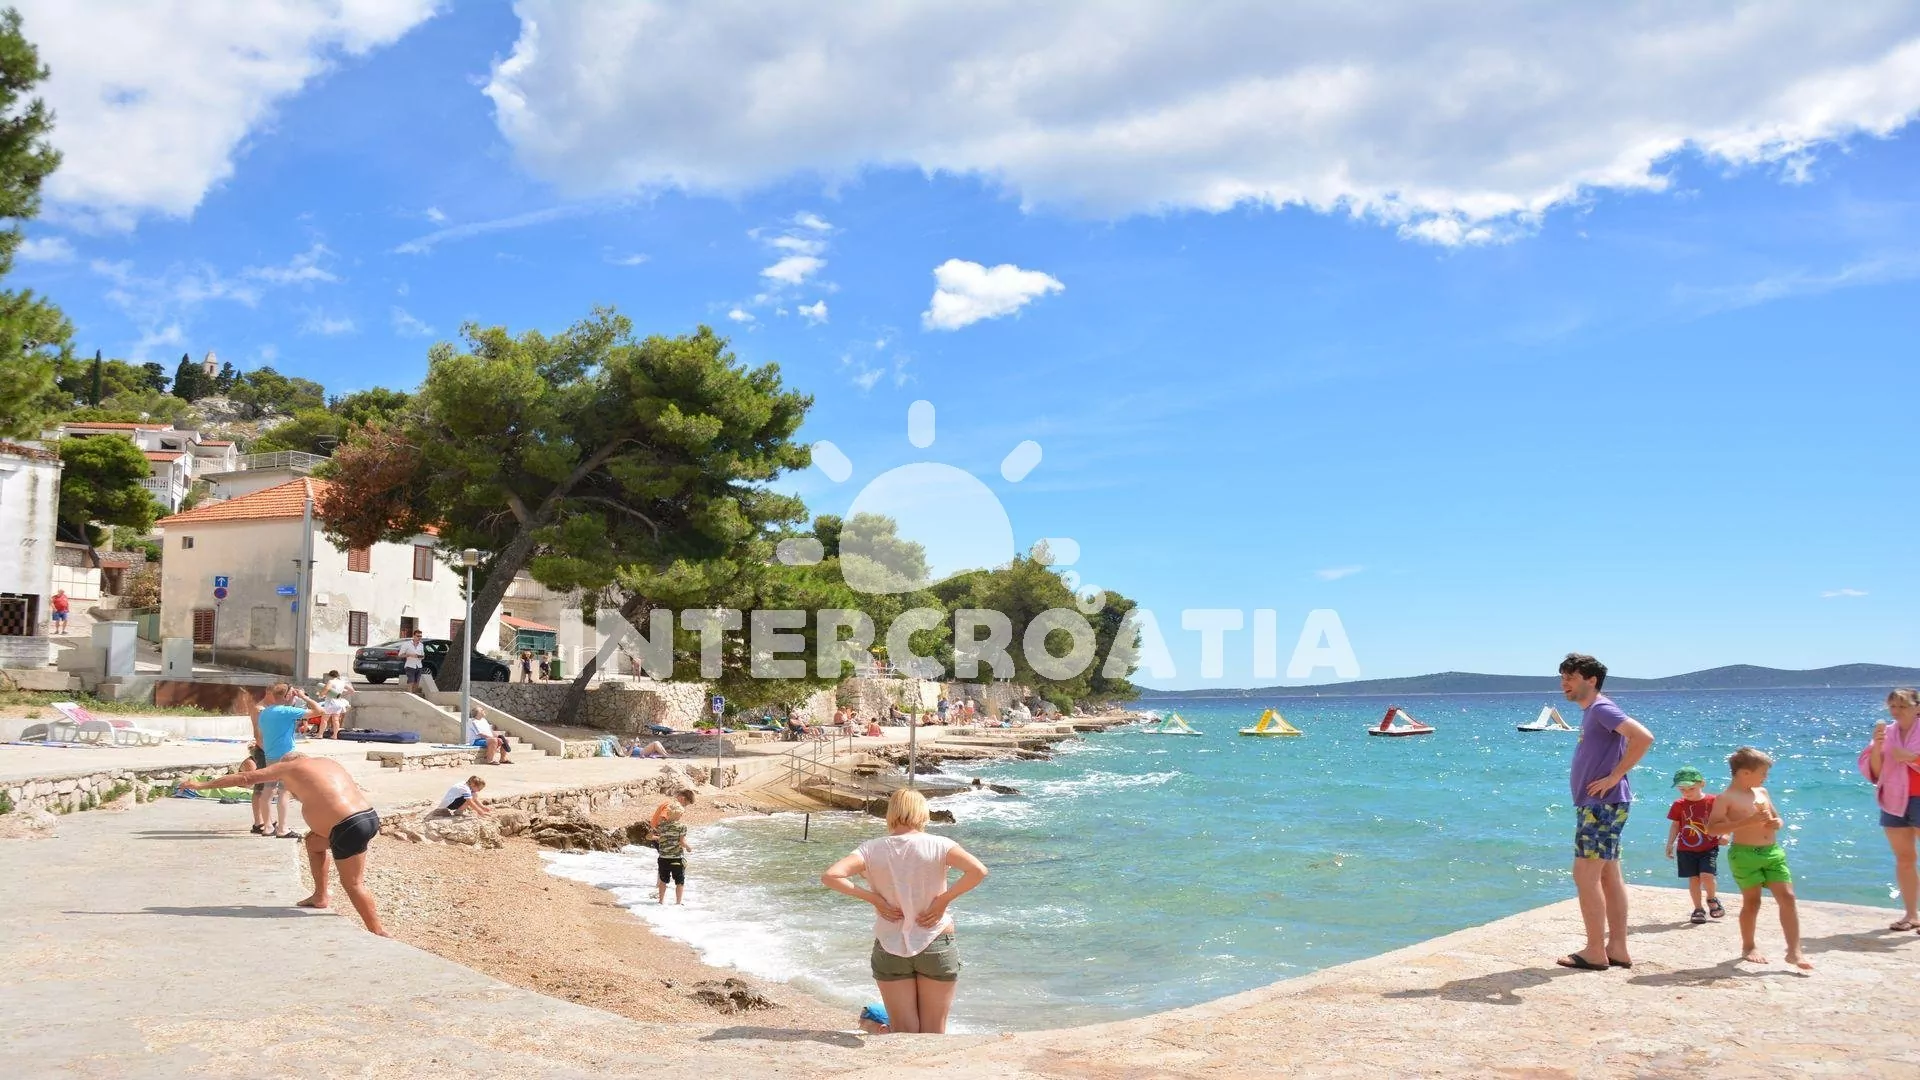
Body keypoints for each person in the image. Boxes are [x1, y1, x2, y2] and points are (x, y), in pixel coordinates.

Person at [820, 788, 989, 1035]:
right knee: (933, 1033)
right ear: (922, 812)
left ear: (891, 813)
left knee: (903, 1031)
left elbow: (831, 876)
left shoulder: (870, 849)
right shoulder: (940, 845)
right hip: (935, 939)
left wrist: (874, 899)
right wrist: (943, 900)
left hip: (890, 943)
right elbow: (978, 871)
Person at [176, 754, 387, 936]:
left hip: (347, 826)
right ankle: (320, 896)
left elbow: (245, 778)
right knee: (313, 843)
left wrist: (201, 785)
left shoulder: (289, 767)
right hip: (368, 816)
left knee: (353, 884)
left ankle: (377, 931)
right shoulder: (326, 763)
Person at [1555, 653, 1655, 972]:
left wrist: (1615, 776)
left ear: (1591, 680)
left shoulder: (1601, 708)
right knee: (1609, 874)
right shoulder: (1593, 711)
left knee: (1585, 874)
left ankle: (1595, 951)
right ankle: (1617, 948)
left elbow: (1643, 737)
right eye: (1563, 678)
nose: (1564, 684)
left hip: (1601, 805)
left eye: (1571, 678)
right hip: (1603, 805)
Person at [1707, 746, 1811, 970]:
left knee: (1788, 897)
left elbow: (1778, 818)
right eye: (1763, 773)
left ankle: (1794, 951)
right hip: (1744, 854)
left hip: (1772, 852)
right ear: (1745, 773)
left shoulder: (1762, 792)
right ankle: (1749, 946)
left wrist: (1776, 823)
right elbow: (1712, 828)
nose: (1765, 777)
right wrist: (1747, 822)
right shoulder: (1726, 798)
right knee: (1752, 902)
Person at [1858, 688, 1920, 932]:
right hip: (1894, 799)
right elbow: (1876, 771)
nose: (1896, 711)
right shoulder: (1888, 733)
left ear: (1917, 707)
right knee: (1904, 859)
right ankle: (1911, 915)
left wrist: (1912, 758)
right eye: (1893, 706)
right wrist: (1877, 746)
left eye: (1903, 706)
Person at [253, 683, 324, 839]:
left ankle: (268, 827)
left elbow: (261, 735)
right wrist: (304, 697)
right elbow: (320, 711)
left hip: (270, 755)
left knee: (268, 790)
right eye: (293, 694)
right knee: (284, 791)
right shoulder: (287, 711)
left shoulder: (264, 713)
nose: (295, 697)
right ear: (286, 696)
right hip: (287, 757)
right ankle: (282, 829)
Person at [1665, 766, 1725, 924]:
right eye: (1682, 789)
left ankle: (1711, 898)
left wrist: (1726, 834)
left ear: (1702, 784)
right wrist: (1670, 843)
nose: (1686, 792)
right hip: (1685, 848)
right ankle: (1698, 909)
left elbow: (1725, 820)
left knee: (1707, 875)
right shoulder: (1679, 804)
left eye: (1691, 788)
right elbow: (1675, 825)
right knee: (1694, 879)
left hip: (1709, 846)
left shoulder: (1713, 801)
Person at [654, 801, 692, 905]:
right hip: (677, 858)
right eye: (681, 814)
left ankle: (661, 901)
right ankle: (678, 903)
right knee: (679, 881)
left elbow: (655, 836)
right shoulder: (682, 826)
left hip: (663, 858)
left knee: (663, 880)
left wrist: (656, 838)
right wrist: (688, 847)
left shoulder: (662, 825)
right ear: (678, 814)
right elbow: (682, 842)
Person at [317, 669, 353, 739]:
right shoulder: (342, 682)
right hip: (338, 703)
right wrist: (341, 694)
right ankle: (335, 735)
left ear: (330, 676)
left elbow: (326, 689)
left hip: (330, 702)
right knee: (336, 720)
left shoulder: (331, 681)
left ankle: (320, 735)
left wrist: (321, 694)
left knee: (324, 719)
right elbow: (352, 690)